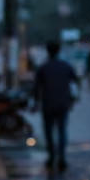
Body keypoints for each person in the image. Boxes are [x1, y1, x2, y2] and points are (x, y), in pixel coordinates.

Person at [33, 40, 78, 171]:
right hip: (63, 104)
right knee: (62, 130)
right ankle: (62, 157)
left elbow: (36, 88)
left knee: (49, 131)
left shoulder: (43, 68)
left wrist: (35, 103)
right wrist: (72, 100)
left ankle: (52, 156)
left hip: (48, 104)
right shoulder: (66, 66)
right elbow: (75, 84)